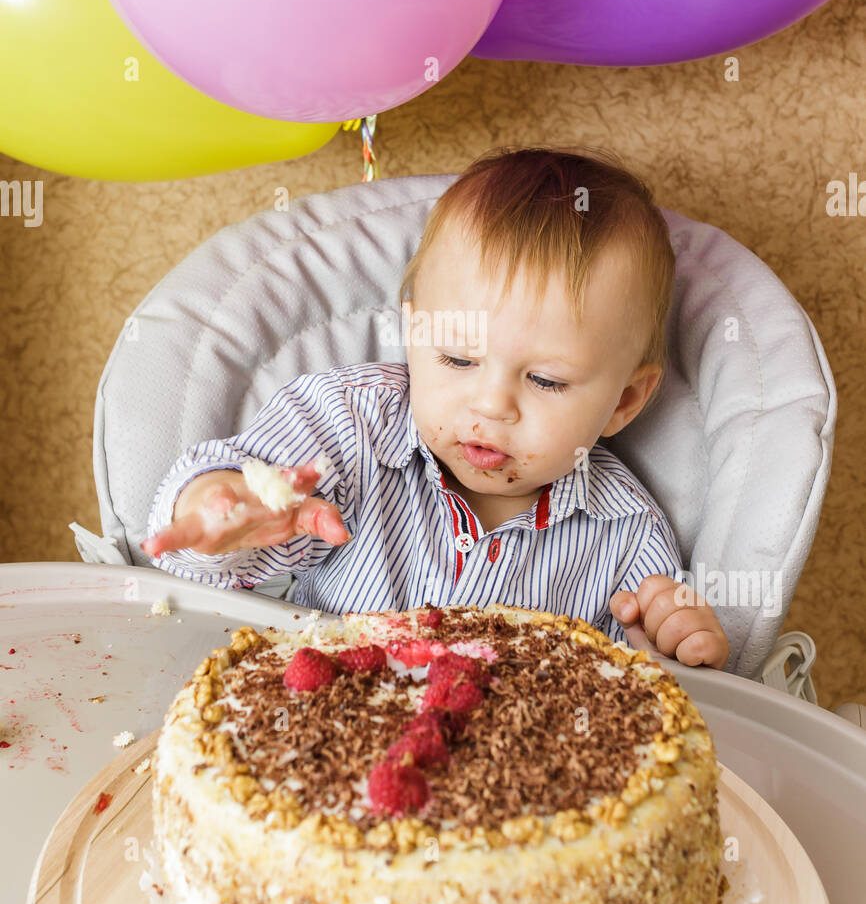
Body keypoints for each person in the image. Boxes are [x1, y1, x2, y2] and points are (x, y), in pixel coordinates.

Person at [142, 146, 729, 669]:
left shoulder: (627, 535)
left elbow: (642, 710)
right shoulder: (348, 427)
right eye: (456, 358)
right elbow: (204, 569)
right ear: (412, 329)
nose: (491, 404)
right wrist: (221, 510)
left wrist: (667, 651)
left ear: (623, 401)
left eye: (546, 381)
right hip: (325, 746)